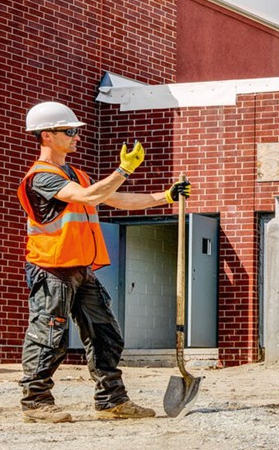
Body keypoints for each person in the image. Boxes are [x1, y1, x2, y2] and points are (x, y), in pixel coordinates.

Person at [16, 101, 192, 423]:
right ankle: (36, 402)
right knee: (49, 336)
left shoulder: (77, 174)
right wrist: (123, 170)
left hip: (82, 269)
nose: (76, 137)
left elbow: (114, 198)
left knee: (106, 334)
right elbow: (90, 197)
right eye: (69, 132)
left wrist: (164, 197)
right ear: (46, 136)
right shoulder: (40, 178)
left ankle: (112, 401)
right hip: (52, 269)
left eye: (76, 131)